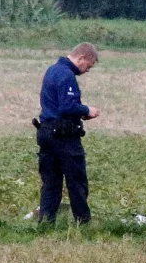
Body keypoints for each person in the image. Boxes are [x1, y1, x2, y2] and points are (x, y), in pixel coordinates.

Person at [34, 42, 101, 224]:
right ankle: (83, 223)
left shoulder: (52, 70)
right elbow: (67, 106)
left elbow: (57, 104)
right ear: (81, 58)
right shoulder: (66, 75)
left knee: (51, 183)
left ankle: (46, 223)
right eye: (89, 65)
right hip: (64, 136)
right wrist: (87, 110)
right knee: (76, 181)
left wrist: (79, 112)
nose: (88, 70)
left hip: (46, 131)